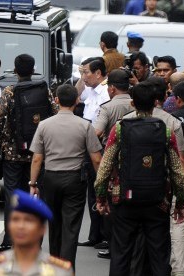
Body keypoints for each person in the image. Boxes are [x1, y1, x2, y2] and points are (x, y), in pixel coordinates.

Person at [94, 81, 184, 276]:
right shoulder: (165, 131)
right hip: (157, 201)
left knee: (121, 253)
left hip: (125, 200)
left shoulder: (119, 129)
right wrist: (179, 202)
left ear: (132, 104)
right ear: (155, 104)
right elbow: (177, 170)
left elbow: (104, 168)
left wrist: (101, 197)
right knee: (159, 254)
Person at [29, 84, 103, 269]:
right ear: (77, 101)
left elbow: (37, 158)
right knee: (71, 227)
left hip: (51, 178)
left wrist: (32, 182)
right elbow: (96, 158)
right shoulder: (85, 125)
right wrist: (102, 182)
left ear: (56, 100)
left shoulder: (44, 125)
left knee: (54, 225)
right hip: (75, 179)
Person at [0, 54, 55, 253]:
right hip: (38, 154)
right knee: (36, 194)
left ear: (16, 71)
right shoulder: (44, 91)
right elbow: (54, 114)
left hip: (13, 153)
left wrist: (4, 138)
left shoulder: (9, 91)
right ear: (33, 69)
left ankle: (10, 239)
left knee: (12, 195)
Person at [0, 189, 73, 276]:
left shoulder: (60, 272)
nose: (20, 226)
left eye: (28, 220)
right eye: (15, 220)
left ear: (42, 229)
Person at [92, 69, 135, 259]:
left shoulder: (107, 107)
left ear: (111, 89)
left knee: (111, 202)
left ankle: (113, 245)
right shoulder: (137, 104)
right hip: (136, 160)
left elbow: (97, 132)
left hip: (113, 162)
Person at [76, 57, 109, 248]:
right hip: (88, 139)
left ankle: (105, 235)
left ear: (98, 73)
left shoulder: (105, 91)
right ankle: (95, 234)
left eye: (87, 72)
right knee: (92, 190)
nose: (84, 76)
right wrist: (82, 75)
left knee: (101, 188)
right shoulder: (92, 89)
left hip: (98, 142)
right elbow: (77, 94)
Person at [170, 81, 184, 276]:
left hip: (180, 171)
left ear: (177, 99)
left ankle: (178, 268)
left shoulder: (172, 119)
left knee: (180, 219)